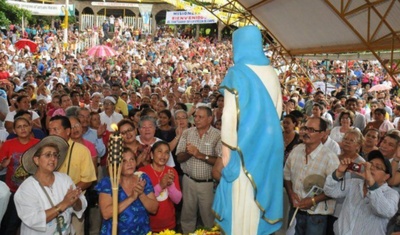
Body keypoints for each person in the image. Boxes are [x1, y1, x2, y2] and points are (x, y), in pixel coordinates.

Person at [14, 136, 87, 235]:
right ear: (36, 160)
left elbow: (80, 207)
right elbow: (34, 219)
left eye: (55, 155)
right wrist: (64, 204)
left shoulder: (64, 179)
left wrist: (75, 201)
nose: (53, 159)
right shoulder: (27, 188)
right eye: (48, 155)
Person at [284, 117, 339, 235]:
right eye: (305, 128)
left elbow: (335, 189)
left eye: (312, 130)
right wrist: (291, 194)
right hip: (295, 212)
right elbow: (287, 176)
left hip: (316, 217)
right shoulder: (296, 150)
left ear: (322, 134)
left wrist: (313, 201)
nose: (306, 133)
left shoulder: (330, 158)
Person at [324, 150, 399, 235]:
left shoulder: (391, 194)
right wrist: (339, 172)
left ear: (386, 176)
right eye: (370, 164)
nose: (372, 168)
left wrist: (371, 183)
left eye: (378, 167)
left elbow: (385, 211)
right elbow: (329, 191)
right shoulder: (354, 183)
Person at [48, 115, 97, 235]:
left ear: (67, 131)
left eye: (56, 129)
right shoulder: (46, 150)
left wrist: (68, 194)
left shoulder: (82, 150)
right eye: (50, 130)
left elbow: (88, 180)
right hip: (49, 203)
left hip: (75, 203)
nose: (52, 133)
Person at [176, 106, 221, 233]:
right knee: (187, 216)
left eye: (200, 117)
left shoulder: (218, 135)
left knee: (209, 218)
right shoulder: (187, 133)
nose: (196, 119)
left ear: (210, 119)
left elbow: (220, 161)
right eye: (195, 116)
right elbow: (179, 157)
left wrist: (199, 154)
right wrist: (189, 153)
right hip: (188, 181)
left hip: (208, 184)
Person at [95, 147, 158, 235]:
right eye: (124, 161)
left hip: (142, 232)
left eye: (132, 159)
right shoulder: (108, 182)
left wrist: (141, 194)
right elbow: (106, 213)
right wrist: (132, 197)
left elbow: (154, 209)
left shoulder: (143, 178)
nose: (129, 164)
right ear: (116, 164)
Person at [0, 116, 40, 234]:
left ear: (30, 127)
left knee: (32, 224)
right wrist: (3, 165)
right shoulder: (8, 144)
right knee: (9, 224)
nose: (22, 129)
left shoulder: (39, 144)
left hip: (34, 191)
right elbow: (0, 166)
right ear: (14, 130)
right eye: (19, 127)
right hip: (13, 191)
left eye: (25, 126)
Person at [139, 141, 182, 232]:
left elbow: (177, 200)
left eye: (167, 152)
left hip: (169, 224)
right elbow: (141, 199)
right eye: (159, 151)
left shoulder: (172, 171)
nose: (163, 155)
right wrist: (161, 186)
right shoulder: (142, 172)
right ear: (151, 154)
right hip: (147, 225)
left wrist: (170, 185)